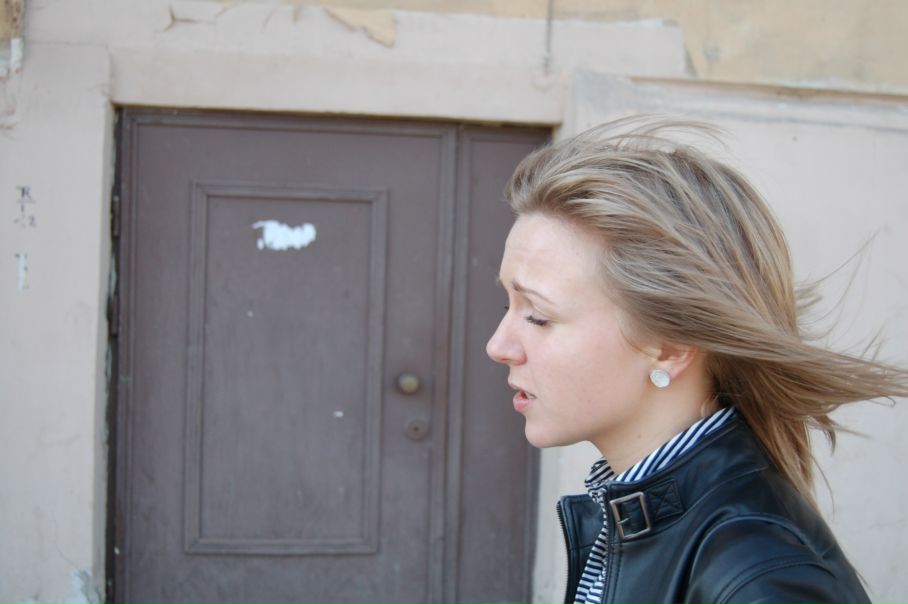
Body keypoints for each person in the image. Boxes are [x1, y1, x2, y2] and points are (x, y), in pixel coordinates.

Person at [485, 117, 908, 604]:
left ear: (669, 345)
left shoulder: (760, 579)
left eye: (537, 316)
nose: (498, 345)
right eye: (508, 304)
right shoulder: (639, 515)